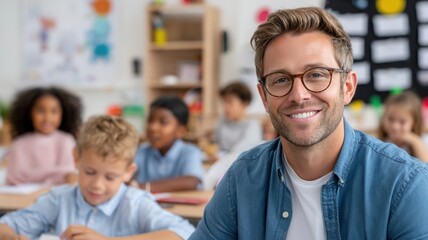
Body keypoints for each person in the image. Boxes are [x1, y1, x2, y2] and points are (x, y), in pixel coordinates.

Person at [190, 7, 428, 239]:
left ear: (347, 88)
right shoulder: (241, 179)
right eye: (280, 79)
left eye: (316, 74)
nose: (298, 95)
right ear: (264, 97)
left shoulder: (404, 183)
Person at [0, 115, 195, 240]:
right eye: (89, 172)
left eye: (110, 177)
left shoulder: (135, 204)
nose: (97, 185)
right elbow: (6, 226)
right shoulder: (59, 200)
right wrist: (14, 238)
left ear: (128, 172)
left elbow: (185, 234)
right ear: (76, 159)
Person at [5, 86, 82, 185]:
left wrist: (32, 175)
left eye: (54, 111)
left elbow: (69, 172)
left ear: (63, 114)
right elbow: (14, 176)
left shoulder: (66, 141)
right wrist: (54, 174)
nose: (47, 117)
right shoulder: (20, 143)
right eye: (41, 111)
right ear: (30, 113)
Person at [132, 95, 204, 192]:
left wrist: (141, 187)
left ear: (181, 130)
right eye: (150, 120)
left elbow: (191, 181)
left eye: (163, 122)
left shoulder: (190, 151)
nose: (153, 127)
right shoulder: (141, 151)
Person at [378, 91, 428, 162]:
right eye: (390, 119)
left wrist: (414, 141)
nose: (395, 126)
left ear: (414, 123)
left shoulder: (423, 141)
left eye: (402, 121)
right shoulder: (379, 143)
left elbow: (426, 167)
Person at [215, 81, 263, 154]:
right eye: (224, 102)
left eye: (229, 102)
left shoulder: (253, 126)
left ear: (244, 103)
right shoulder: (223, 122)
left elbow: (238, 152)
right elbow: (217, 147)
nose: (225, 107)